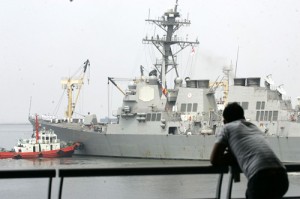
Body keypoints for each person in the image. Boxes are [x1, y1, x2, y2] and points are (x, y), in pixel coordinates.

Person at [210, 102, 289, 199]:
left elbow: (214, 159)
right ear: (243, 117)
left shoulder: (227, 128)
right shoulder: (254, 127)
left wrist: (233, 156)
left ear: (224, 121)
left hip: (261, 178)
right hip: (281, 176)